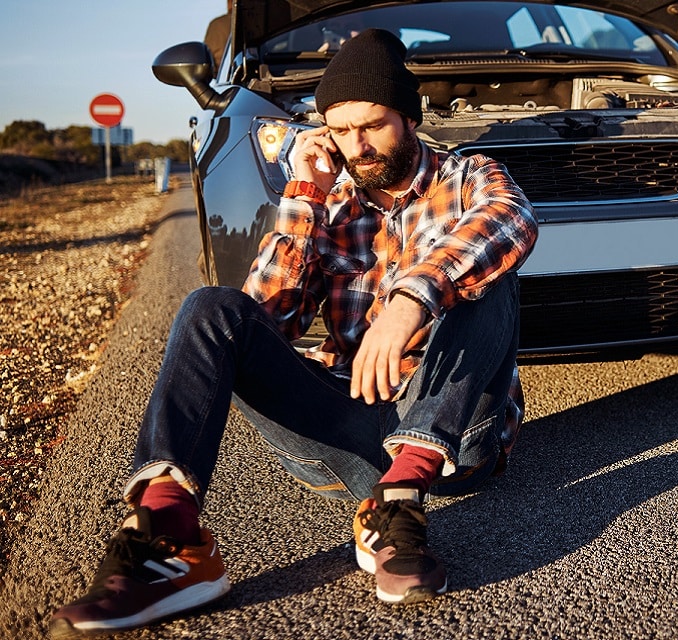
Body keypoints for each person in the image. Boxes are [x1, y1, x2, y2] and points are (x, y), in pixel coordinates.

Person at [48, 29, 537, 638]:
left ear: (411, 118)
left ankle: (401, 497)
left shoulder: (469, 177)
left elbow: (512, 220)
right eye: (339, 130)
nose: (356, 146)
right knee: (212, 307)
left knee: (490, 276)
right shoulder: (328, 200)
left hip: (454, 439)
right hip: (347, 427)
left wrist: (412, 299)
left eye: (373, 125)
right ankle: (168, 537)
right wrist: (302, 195)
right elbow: (263, 323)